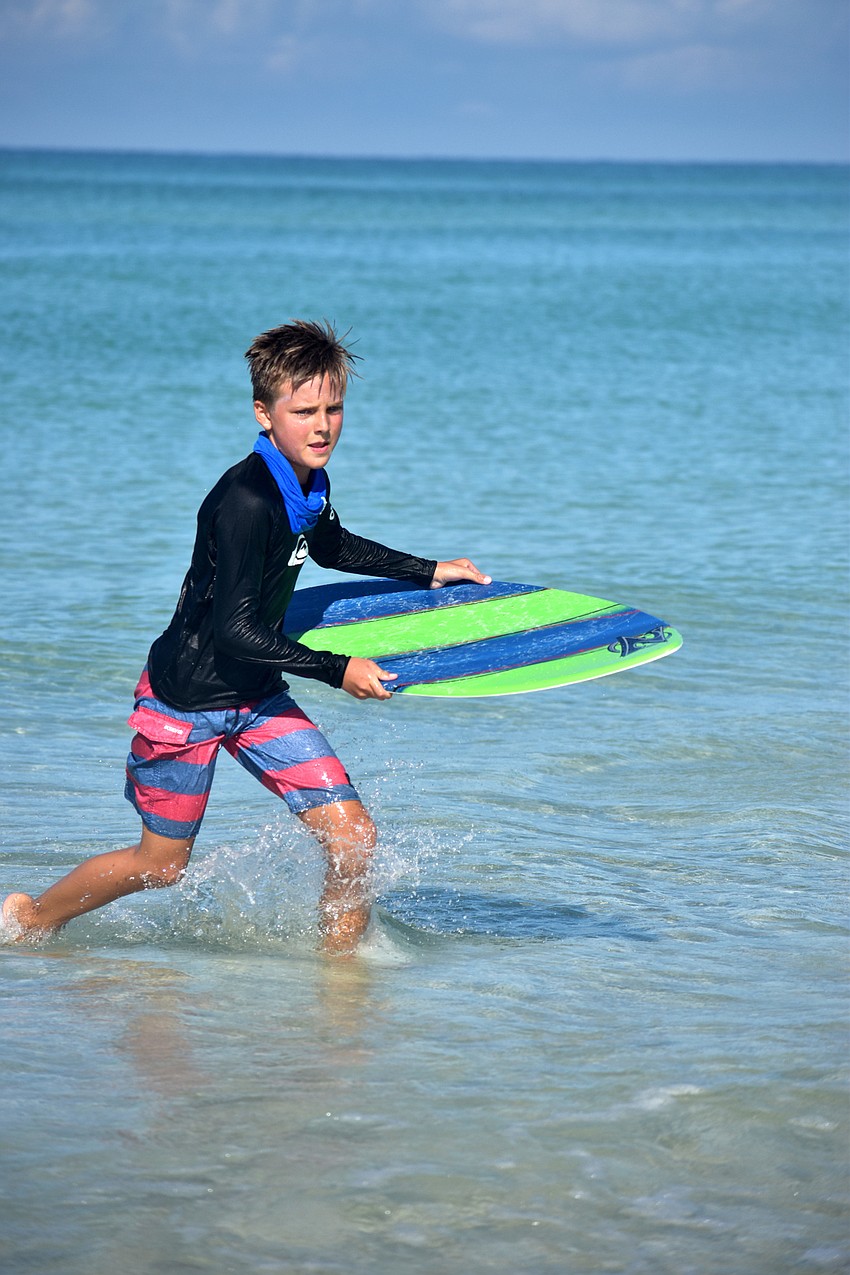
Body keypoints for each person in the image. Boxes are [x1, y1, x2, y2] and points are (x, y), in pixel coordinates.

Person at [2, 321, 489, 953]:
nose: (322, 426)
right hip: (186, 701)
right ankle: (31, 917)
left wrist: (426, 571)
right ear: (264, 414)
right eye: (304, 411)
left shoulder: (307, 483)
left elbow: (332, 544)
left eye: (333, 409)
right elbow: (234, 631)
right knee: (162, 865)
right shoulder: (246, 500)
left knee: (354, 839)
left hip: (255, 692)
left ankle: (342, 981)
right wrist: (337, 667)